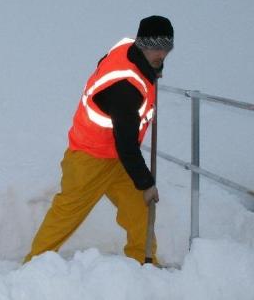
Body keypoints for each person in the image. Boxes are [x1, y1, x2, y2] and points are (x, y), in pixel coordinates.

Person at [24, 15, 174, 265]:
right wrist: (147, 182)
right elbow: (126, 143)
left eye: (166, 48)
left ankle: (145, 263)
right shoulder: (126, 87)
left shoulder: (130, 51)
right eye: (155, 47)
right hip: (90, 157)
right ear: (142, 44)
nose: (161, 53)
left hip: (117, 158)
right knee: (67, 214)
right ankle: (32, 266)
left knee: (139, 208)